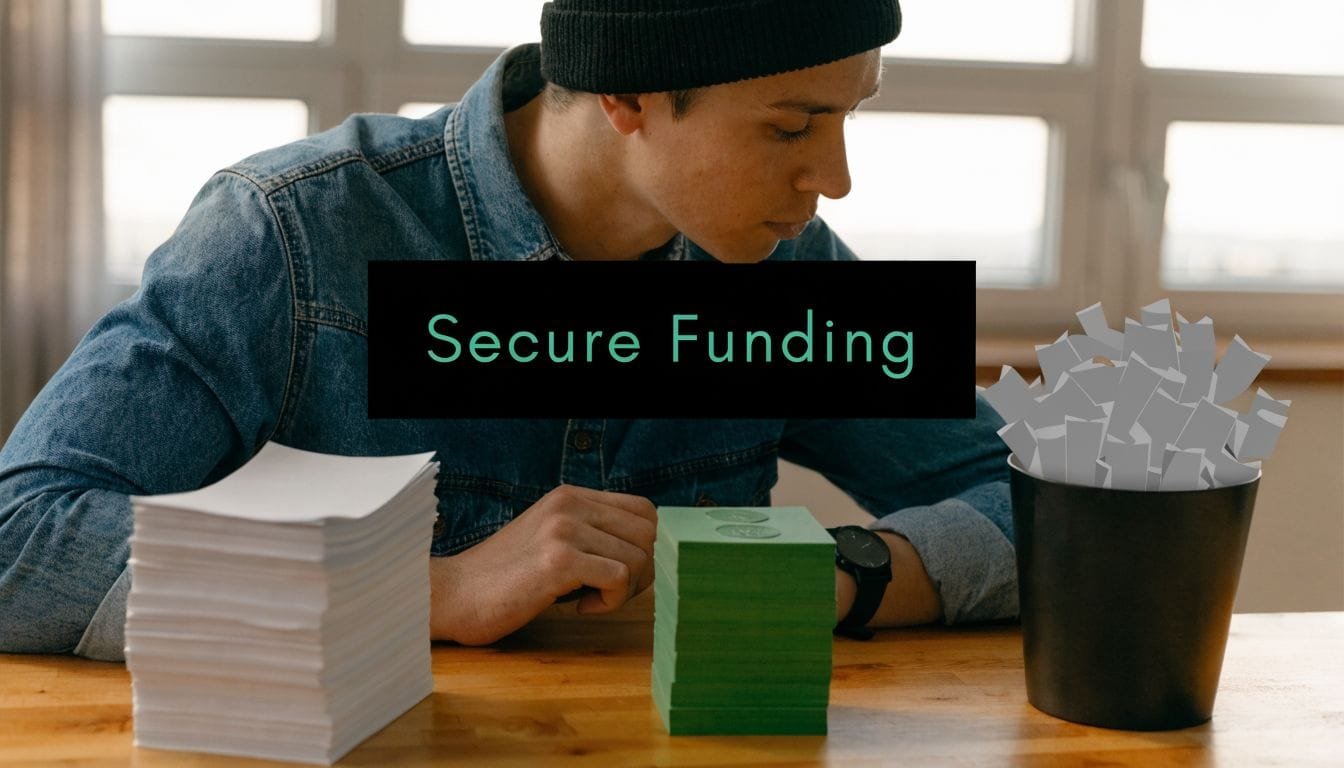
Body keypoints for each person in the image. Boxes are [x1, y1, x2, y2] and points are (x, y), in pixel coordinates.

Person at [0, 0, 1016, 661]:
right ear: (626, 94)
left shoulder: (788, 269)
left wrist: (837, 578)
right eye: (790, 127)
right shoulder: (293, 232)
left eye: (847, 117)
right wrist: (424, 591)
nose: (834, 178)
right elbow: (22, 538)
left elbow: (1040, 504)